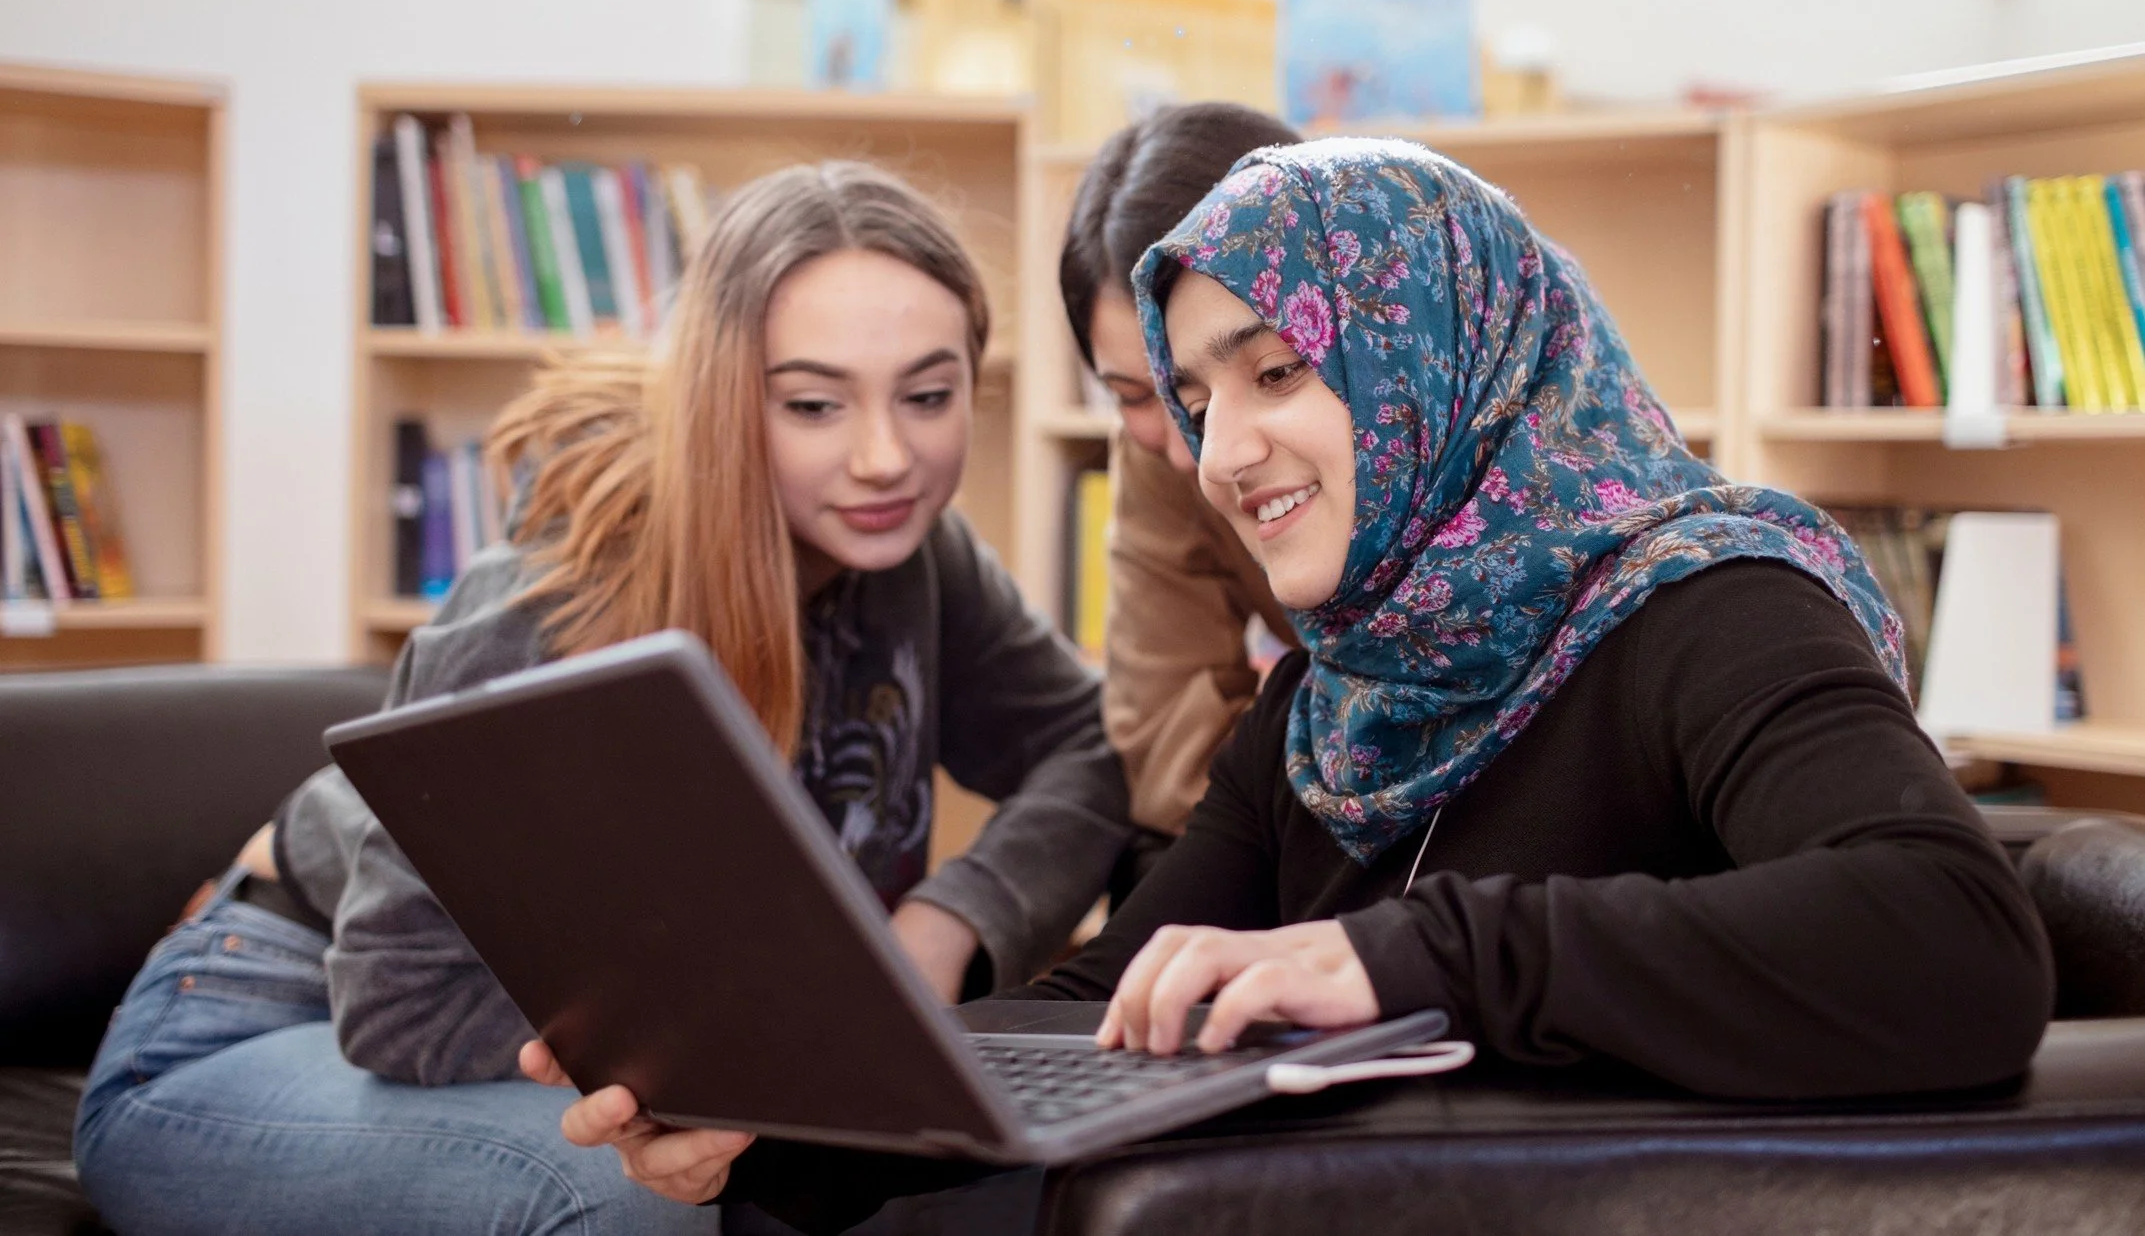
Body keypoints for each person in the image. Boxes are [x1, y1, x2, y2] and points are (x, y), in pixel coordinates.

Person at [541, 137, 2052, 1220]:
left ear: (1434, 351)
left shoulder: (1713, 603)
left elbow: (1953, 934)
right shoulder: (1328, 699)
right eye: (1194, 397)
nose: (1222, 448)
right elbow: (1104, 1009)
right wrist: (786, 1112)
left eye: (1278, 371)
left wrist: (1408, 957)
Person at [72, 162, 1131, 1235]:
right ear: (727, 397)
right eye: (813, 403)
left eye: (929, 394)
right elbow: (402, 1003)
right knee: (630, 1200)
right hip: (255, 1019)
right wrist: (769, 1035)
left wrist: (947, 924)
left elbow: (1094, 748)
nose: (885, 455)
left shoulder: (922, 560)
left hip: (530, 1050)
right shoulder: (561, 591)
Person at [1059, 103, 1300, 856]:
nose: (1197, 446)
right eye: (1134, 396)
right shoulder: (1158, 459)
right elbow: (1168, 758)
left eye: (1271, 373)